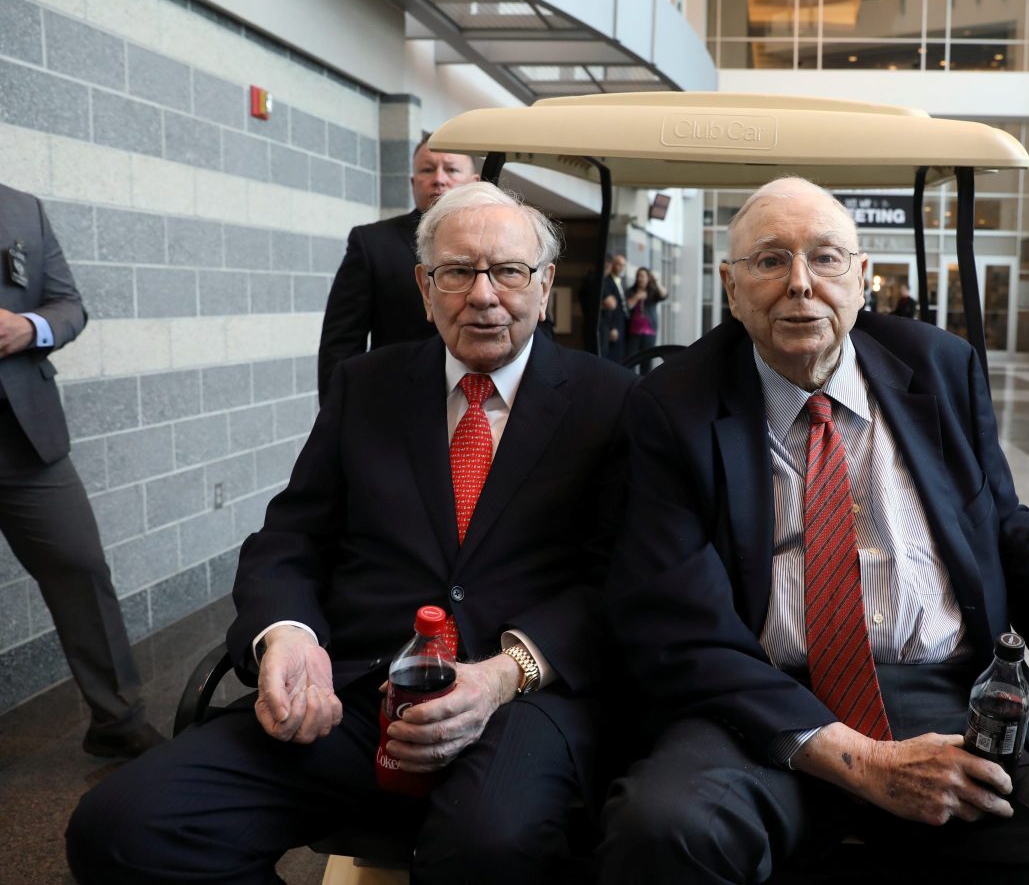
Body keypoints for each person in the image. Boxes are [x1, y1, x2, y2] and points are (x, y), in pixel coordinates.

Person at [599, 177, 1029, 884]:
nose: (801, 285)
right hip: (759, 704)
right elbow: (673, 620)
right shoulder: (670, 406)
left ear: (863, 277)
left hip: (941, 694)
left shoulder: (940, 366)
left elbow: (1004, 522)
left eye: (827, 258)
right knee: (661, 832)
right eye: (771, 261)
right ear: (731, 286)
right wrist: (862, 761)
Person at [68, 182, 636, 885]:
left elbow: (620, 578)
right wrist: (288, 637)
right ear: (425, 289)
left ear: (545, 285)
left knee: (490, 848)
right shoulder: (367, 385)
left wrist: (503, 675)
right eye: (457, 272)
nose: (483, 295)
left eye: (509, 272)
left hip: (517, 702)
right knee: (124, 829)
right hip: (355, 694)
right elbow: (291, 538)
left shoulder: (611, 402)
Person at [0, 183, 164, 760]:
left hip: (26, 439)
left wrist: (28, 329)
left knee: (80, 566)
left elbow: (69, 305)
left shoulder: (23, 209)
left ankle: (117, 720)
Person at [316, 136, 482, 402]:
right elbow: (340, 344)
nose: (439, 179)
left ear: (474, 183)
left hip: (488, 403)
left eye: (451, 169)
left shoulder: (503, 242)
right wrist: (338, 417)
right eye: (427, 169)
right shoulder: (372, 243)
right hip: (396, 401)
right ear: (413, 182)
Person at [624, 266, 668, 374]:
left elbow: (664, 295)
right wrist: (637, 296)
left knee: (647, 362)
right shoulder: (631, 291)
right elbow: (628, 305)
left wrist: (656, 281)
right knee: (631, 360)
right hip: (633, 332)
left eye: (642, 276)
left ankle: (644, 384)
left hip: (649, 332)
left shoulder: (652, 291)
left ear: (648, 278)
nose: (640, 278)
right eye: (638, 276)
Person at [598, 253, 629, 364]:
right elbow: (609, 308)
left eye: (623, 265)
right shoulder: (607, 281)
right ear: (612, 265)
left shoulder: (622, 281)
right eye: (619, 264)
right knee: (612, 358)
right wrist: (612, 327)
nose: (621, 267)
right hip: (612, 325)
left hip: (622, 324)